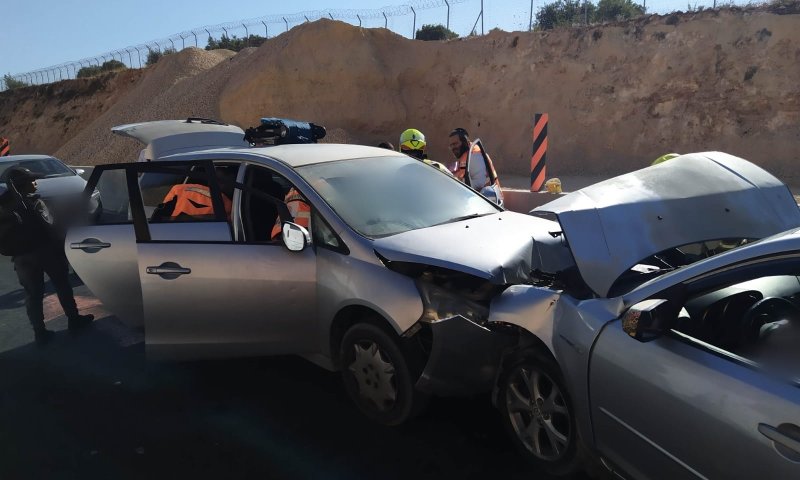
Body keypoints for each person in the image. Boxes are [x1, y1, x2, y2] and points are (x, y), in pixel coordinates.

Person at [0, 167, 93, 345]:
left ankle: (39, 333)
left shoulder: (5, 207)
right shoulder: (34, 203)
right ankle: (74, 319)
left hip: (22, 259)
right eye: (31, 180)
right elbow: (51, 228)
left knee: (33, 295)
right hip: (46, 252)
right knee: (62, 285)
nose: (35, 183)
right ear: (21, 185)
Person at [447, 128, 503, 204]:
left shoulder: (475, 156)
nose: (453, 147)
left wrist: (455, 183)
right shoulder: (467, 155)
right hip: (483, 201)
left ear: (464, 142)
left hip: (491, 204)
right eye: (451, 145)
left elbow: (479, 184)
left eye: (455, 143)